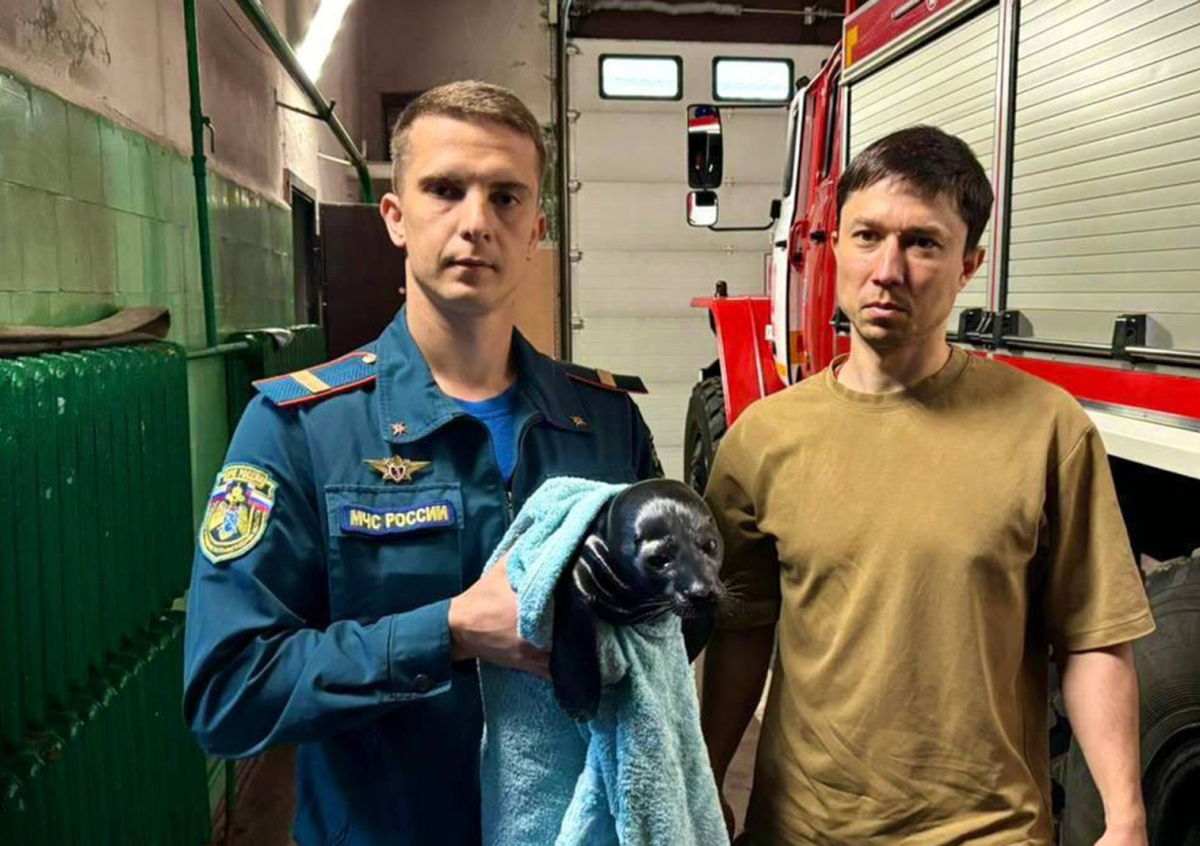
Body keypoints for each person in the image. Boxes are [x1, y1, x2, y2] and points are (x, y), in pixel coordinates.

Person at [183, 80, 660, 846]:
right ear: (395, 217)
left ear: (536, 230)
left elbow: (664, 643)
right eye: (445, 190)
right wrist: (449, 633)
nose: (476, 221)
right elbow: (228, 690)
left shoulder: (604, 424)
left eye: (506, 197)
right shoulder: (301, 430)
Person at [700, 126, 1155, 845]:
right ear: (834, 246)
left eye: (922, 243)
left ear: (969, 264)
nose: (887, 270)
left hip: (988, 830)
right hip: (806, 829)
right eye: (867, 236)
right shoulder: (762, 439)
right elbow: (740, 634)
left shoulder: (1047, 429)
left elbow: (1092, 637)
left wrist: (1126, 818)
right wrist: (705, 781)